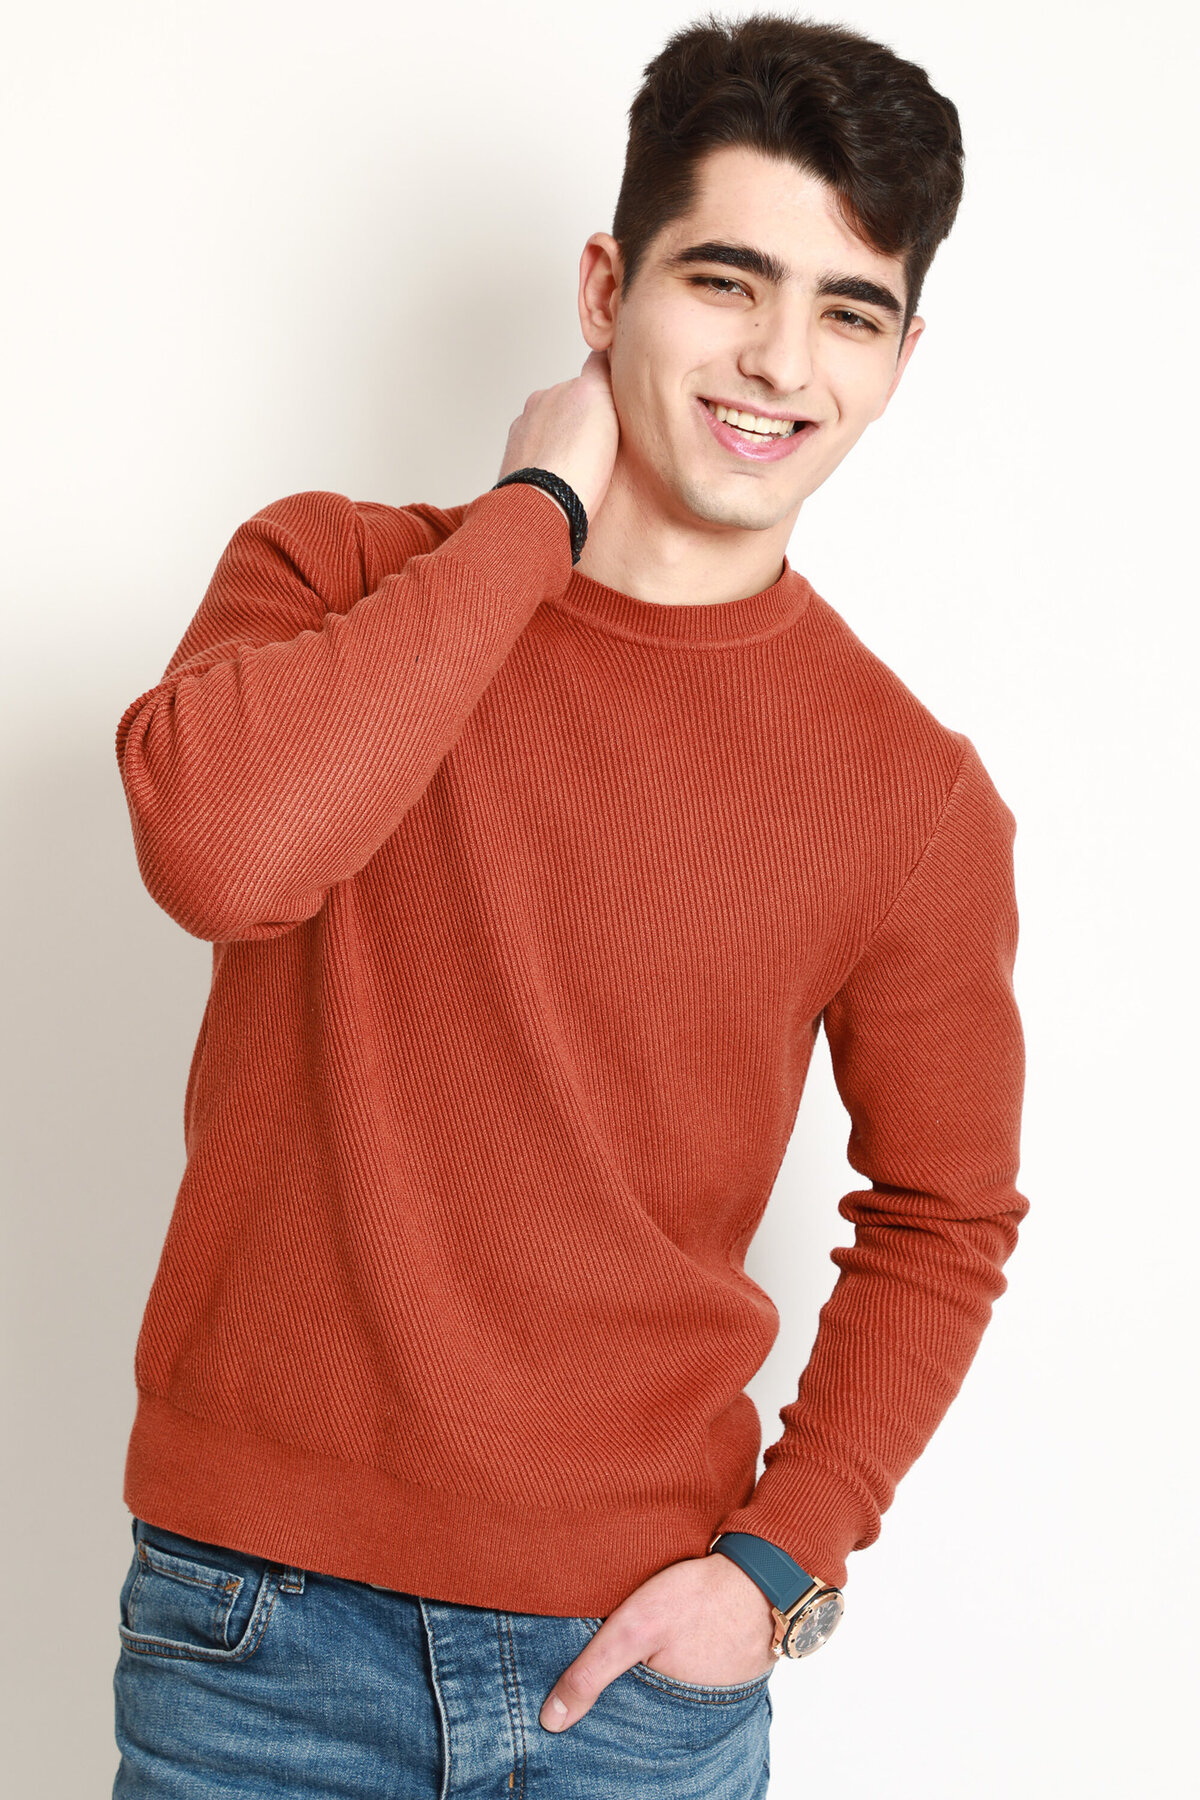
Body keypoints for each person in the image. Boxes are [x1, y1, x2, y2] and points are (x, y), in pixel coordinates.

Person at [110, 11, 1028, 1796]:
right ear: (607, 289)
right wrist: (534, 511)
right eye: (728, 280)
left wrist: (778, 1569)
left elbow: (945, 1213)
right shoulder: (333, 575)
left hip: (635, 1684)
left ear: (901, 357)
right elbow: (221, 857)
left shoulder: (909, 791)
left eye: (849, 311)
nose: (780, 361)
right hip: (258, 1648)